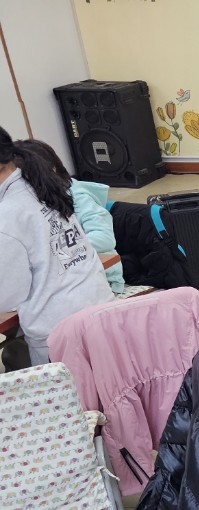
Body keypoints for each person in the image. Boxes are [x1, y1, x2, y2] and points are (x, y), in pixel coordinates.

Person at [0, 127, 113, 365]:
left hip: (61, 332)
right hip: (101, 310)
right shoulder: (40, 184)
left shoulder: (7, 216)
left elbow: (8, 297)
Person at [14, 139, 124, 294]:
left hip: (102, 277)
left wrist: (55, 253)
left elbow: (104, 238)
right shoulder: (31, 201)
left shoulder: (78, 197)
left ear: (49, 171)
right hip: (60, 276)